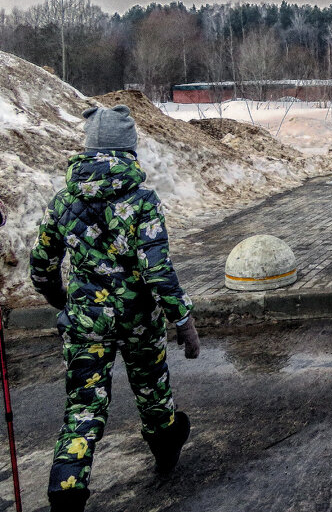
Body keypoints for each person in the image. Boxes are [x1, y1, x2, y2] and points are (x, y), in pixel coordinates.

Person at [30, 104, 200, 512]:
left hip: (85, 323)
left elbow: (41, 266)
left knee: (84, 408)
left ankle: (66, 494)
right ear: (129, 149)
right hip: (139, 321)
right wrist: (184, 320)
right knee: (152, 391)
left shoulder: (63, 200)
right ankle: (165, 447)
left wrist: (62, 299)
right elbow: (157, 270)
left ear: (89, 147)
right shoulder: (143, 199)